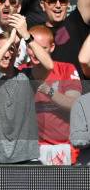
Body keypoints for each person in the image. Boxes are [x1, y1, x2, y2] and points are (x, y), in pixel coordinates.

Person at [0, 19, 47, 164]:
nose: (7, 54)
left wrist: (27, 36)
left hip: (28, 158)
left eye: (11, 49)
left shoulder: (27, 77)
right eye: (3, 49)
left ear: (18, 52)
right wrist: (8, 43)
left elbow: (48, 65)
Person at [22, 25, 81, 165]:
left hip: (64, 147)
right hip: (33, 151)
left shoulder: (66, 69)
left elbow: (74, 104)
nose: (35, 53)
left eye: (43, 48)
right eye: (32, 47)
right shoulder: (22, 73)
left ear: (52, 47)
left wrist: (47, 90)